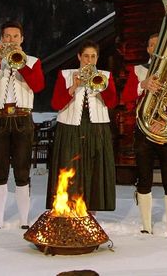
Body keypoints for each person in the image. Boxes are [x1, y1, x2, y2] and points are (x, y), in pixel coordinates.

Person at [0, 20, 45, 229]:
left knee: (22, 171)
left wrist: (21, 64)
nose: (11, 40)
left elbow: (38, 85)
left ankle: (24, 221)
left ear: (22, 39)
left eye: (16, 36)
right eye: (7, 36)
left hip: (23, 118)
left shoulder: (32, 61)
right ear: (1, 39)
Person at [120, 33, 167, 237]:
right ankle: (146, 226)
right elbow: (126, 98)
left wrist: (165, 120)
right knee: (144, 178)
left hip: (166, 131)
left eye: (160, 44)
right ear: (148, 49)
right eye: (152, 44)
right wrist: (142, 85)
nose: (156, 48)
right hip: (143, 132)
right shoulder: (138, 71)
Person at [47, 39, 117, 212]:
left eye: (93, 57)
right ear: (79, 57)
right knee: (71, 167)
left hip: (97, 128)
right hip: (70, 128)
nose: (89, 60)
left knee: (94, 168)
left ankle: (91, 210)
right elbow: (56, 103)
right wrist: (73, 87)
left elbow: (113, 102)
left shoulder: (105, 76)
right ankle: (68, 209)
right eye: (86, 56)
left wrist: (101, 86)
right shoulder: (65, 75)